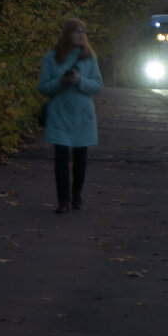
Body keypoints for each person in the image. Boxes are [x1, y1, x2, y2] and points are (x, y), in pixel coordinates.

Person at [38, 19, 103, 214]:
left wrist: (79, 81)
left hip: (83, 115)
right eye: (77, 32)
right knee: (61, 157)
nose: (81, 36)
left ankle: (76, 194)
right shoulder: (52, 58)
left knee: (80, 159)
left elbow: (98, 87)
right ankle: (63, 200)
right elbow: (43, 87)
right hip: (59, 114)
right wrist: (61, 81)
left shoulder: (89, 59)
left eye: (83, 32)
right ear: (68, 35)